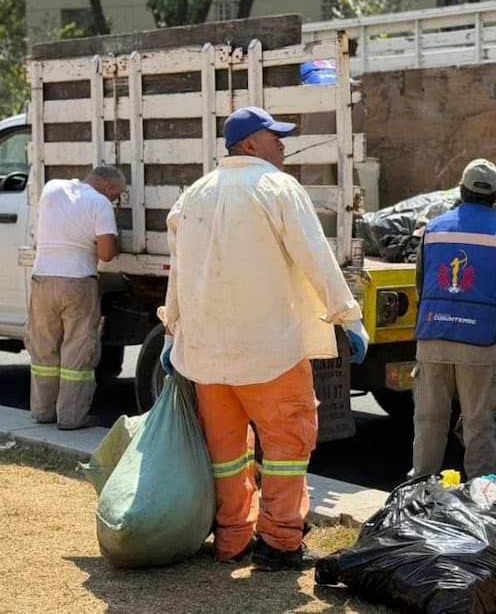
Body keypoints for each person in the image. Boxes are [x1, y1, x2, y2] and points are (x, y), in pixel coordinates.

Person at [158, 106, 369, 571]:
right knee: (287, 448)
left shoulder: (193, 196)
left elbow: (179, 277)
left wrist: (173, 335)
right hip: (269, 351)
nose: (282, 143)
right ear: (249, 144)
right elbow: (316, 258)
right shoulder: (278, 188)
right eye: (274, 136)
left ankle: (233, 539)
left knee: (226, 454)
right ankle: (280, 542)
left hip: (208, 358)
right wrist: (348, 319)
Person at [411, 158, 496, 480]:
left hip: (433, 337)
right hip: (481, 344)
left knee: (428, 422)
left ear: (462, 191)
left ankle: (419, 493)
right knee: (479, 425)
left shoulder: (433, 229)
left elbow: (422, 284)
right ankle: (479, 501)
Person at [26, 166, 122, 430]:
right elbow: (105, 253)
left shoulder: (52, 188)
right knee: (77, 351)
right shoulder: (100, 203)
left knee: (44, 347)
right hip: (78, 281)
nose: (115, 200)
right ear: (110, 188)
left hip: (42, 279)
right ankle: (71, 417)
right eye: (118, 195)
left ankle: (43, 410)